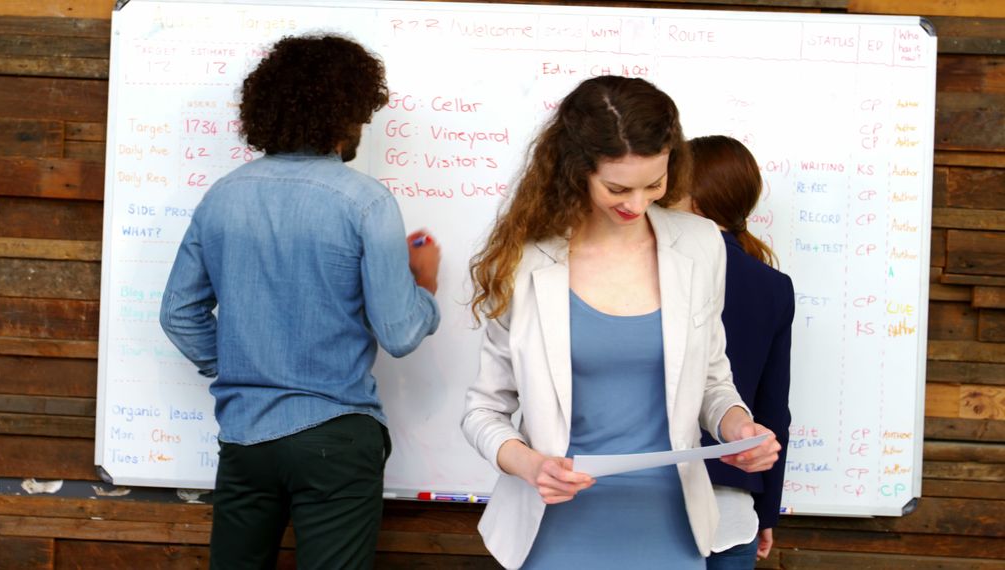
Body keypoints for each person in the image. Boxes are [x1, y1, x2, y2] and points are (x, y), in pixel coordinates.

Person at [461, 75, 781, 570]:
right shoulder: (525, 261)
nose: (637, 204)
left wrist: (738, 428)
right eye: (617, 188)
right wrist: (532, 465)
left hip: (672, 525)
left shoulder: (699, 244)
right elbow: (484, 411)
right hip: (555, 523)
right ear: (576, 170)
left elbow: (714, 381)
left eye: (655, 184)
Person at [159, 34, 441, 570]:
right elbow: (401, 334)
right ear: (346, 114)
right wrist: (423, 285)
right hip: (336, 434)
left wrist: (244, 366)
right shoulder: (365, 202)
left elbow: (178, 313)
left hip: (246, 437)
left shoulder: (224, 194)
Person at [675, 135, 794, 568]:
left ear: (693, 196)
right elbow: (773, 413)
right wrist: (766, 512)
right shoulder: (773, 287)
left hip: (651, 506)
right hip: (732, 511)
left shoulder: (654, 270)